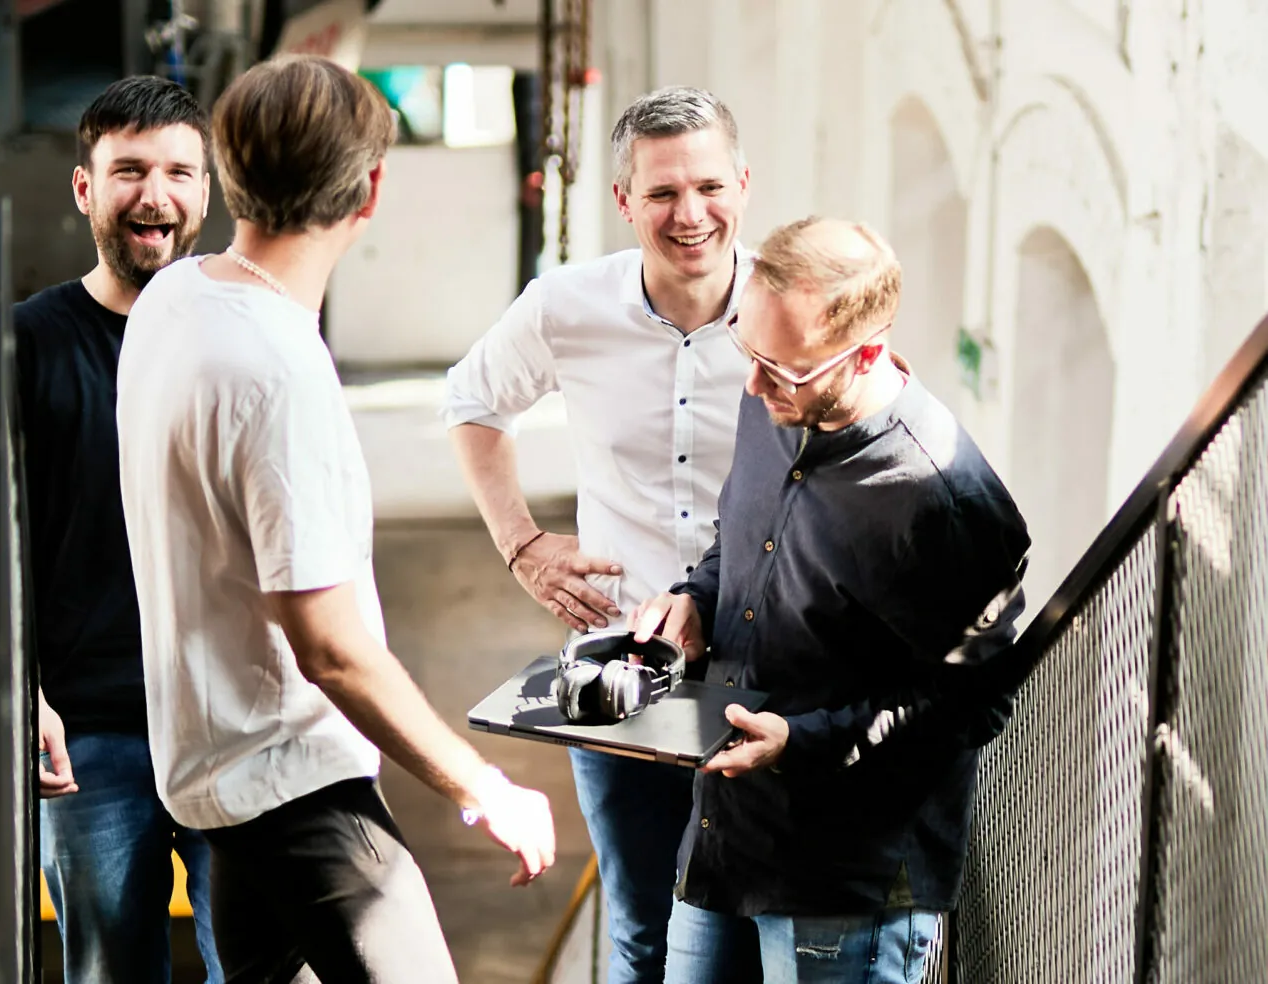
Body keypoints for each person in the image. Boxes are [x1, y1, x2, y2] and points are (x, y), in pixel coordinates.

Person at [114, 54, 557, 984]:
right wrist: (486, 788)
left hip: (208, 779)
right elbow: (330, 646)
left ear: (229, 172)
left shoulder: (172, 298)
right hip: (294, 791)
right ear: (371, 191)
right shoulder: (275, 369)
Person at [632, 216, 1031, 984]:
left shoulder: (946, 502)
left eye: (780, 368)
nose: (753, 385)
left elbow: (974, 703)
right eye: (747, 350)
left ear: (868, 353)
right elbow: (738, 541)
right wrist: (696, 598)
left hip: (844, 889)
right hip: (724, 837)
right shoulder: (777, 395)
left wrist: (802, 740)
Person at [443, 85, 754, 982]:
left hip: (762, 665)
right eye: (661, 193)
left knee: (748, 929)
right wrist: (523, 546)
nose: (688, 214)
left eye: (707, 187)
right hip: (624, 671)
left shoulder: (787, 303)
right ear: (624, 202)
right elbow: (471, 403)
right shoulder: (567, 307)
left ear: (742, 183)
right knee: (643, 930)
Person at [0, 76, 222, 983]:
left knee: (261, 962)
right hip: (91, 731)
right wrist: (22, 692)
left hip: (227, 717)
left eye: (179, 171)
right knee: (109, 968)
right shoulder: (26, 339)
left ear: (208, 189)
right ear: (85, 188)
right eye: (130, 170)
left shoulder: (240, 334)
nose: (157, 194)